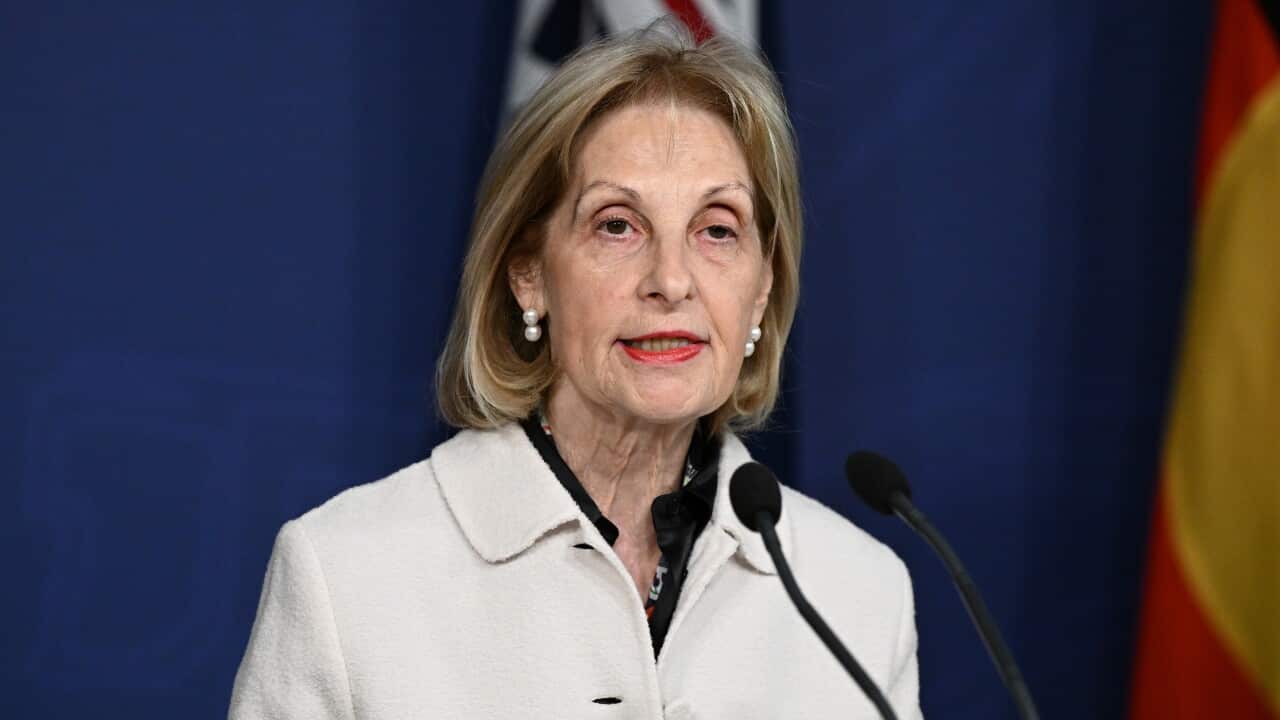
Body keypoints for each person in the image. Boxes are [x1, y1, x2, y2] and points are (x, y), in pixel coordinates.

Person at [229, 24, 920, 719]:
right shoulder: (345, 577)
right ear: (528, 274)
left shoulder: (859, 595)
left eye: (717, 229)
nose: (672, 281)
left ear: (763, 287)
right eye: (618, 225)